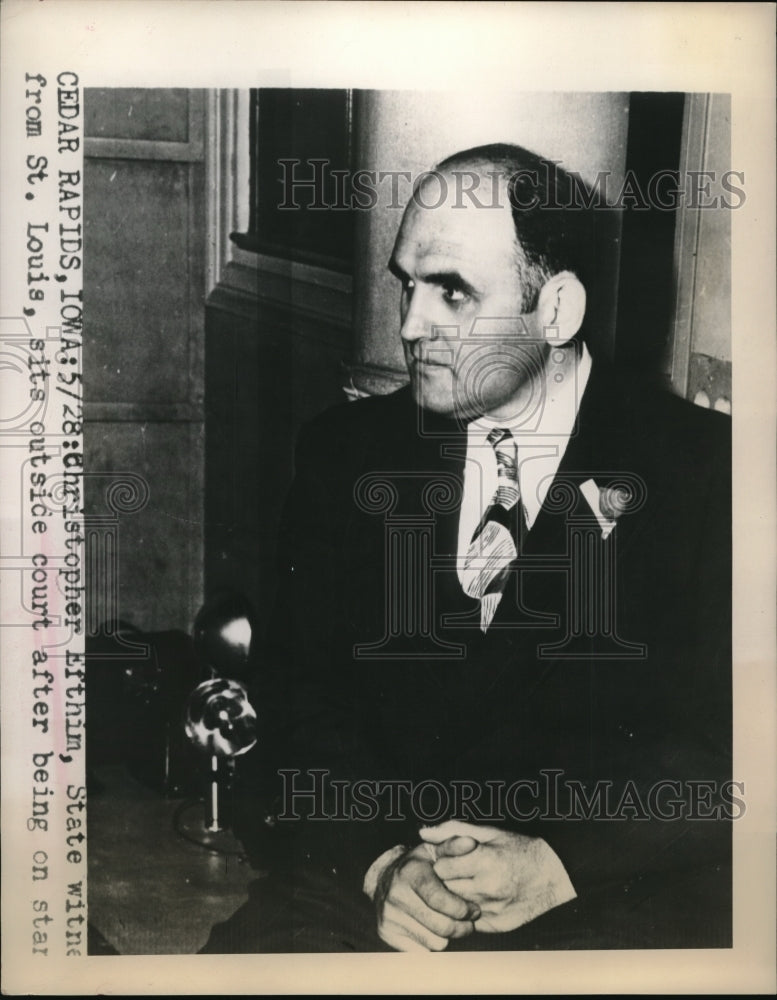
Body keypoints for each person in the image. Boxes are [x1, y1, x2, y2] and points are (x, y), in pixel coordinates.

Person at [202, 143, 731, 953]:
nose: (410, 326)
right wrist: (381, 864)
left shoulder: (709, 476)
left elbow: (732, 752)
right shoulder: (346, 453)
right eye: (406, 285)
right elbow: (299, 703)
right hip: (374, 894)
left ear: (555, 311)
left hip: (604, 905)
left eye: (451, 293)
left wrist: (562, 863)